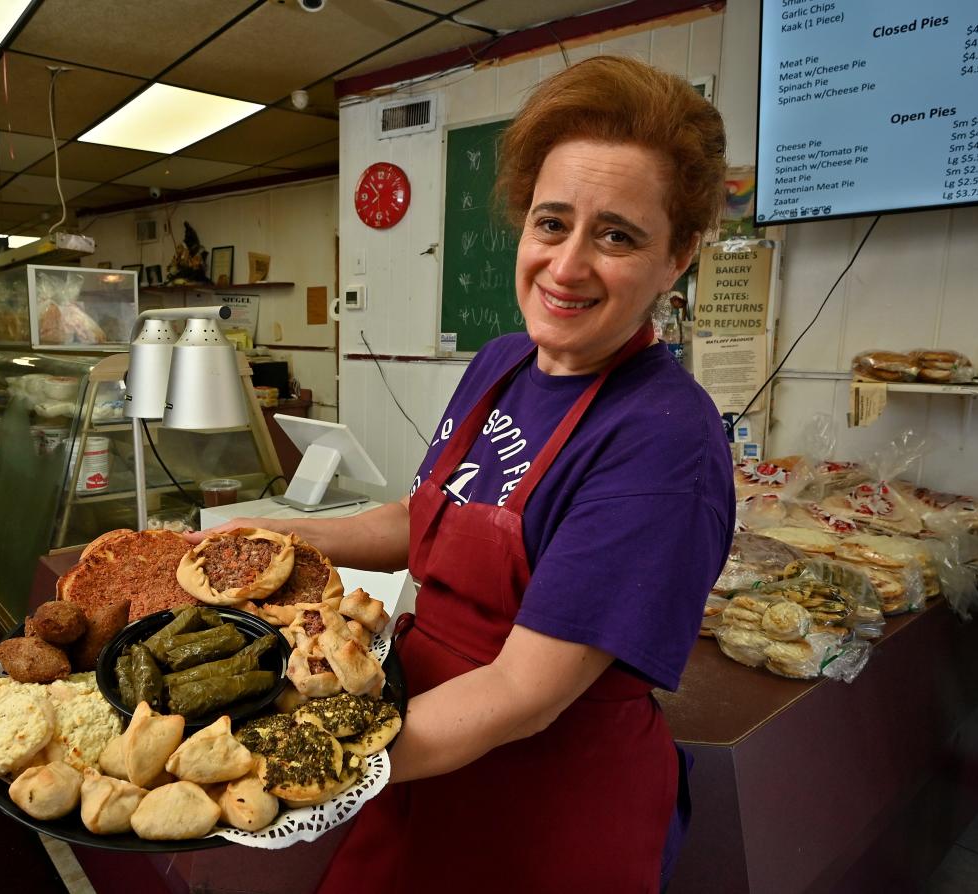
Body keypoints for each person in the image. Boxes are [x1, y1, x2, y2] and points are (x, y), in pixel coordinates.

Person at [187, 56, 735, 893]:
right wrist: (278, 540)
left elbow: (524, 692)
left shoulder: (664, 440)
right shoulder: (505, 363)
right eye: (552, 223)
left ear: (680, 256)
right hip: (417, 750)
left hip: (543, 805)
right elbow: (426, 517)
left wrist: (302, 760)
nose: (569, 264)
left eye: (618, 235)